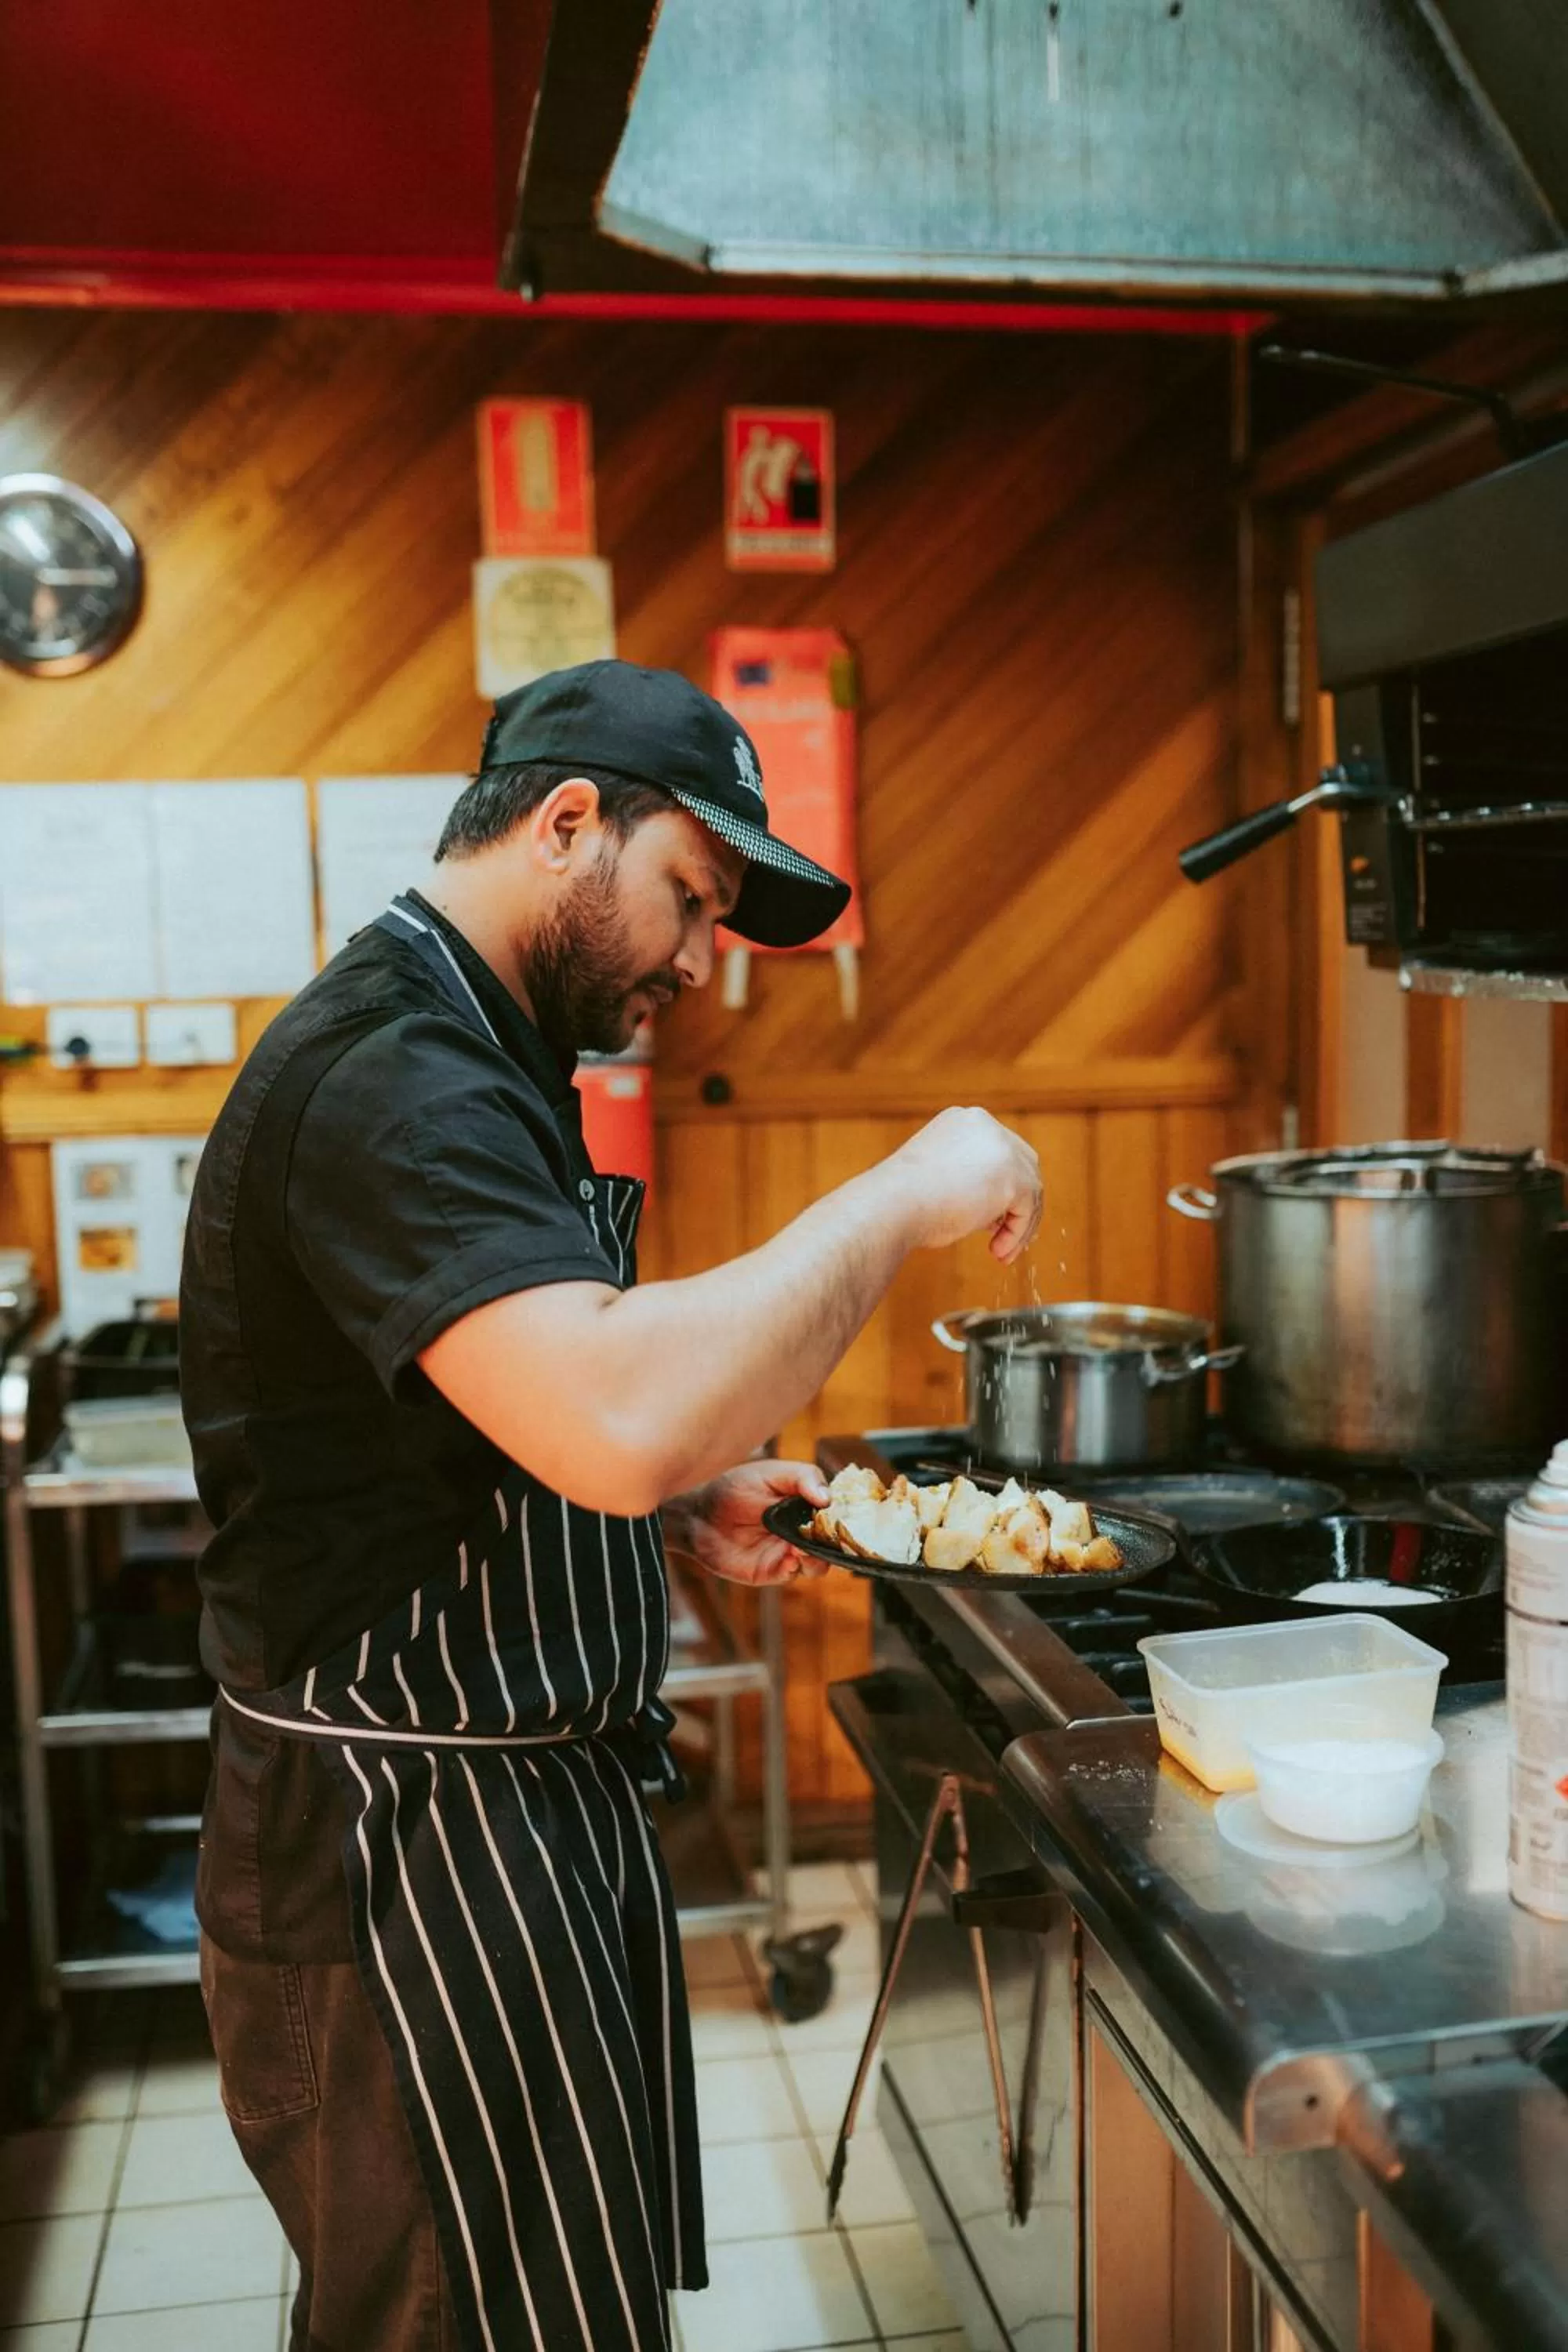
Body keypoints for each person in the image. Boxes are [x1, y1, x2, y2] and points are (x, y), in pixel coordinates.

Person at [180, 658, 1041, 2352]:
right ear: (568, 823)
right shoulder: (391, 1072)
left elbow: (492, 1409)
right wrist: (895, 1198)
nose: (698, 962)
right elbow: (613, 1409)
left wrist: (670, 1506)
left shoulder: (482, 1049)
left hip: (502, 1836)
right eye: (687, 900)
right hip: (398, 1864)